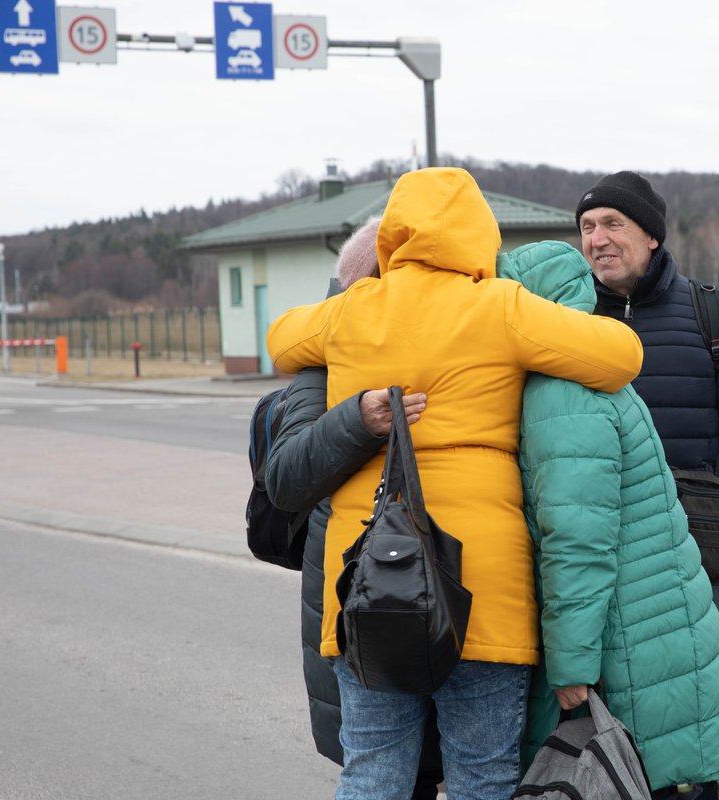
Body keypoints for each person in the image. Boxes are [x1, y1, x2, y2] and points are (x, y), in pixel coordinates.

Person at [266, 167, 643, 800]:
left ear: (394, 235)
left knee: (373, 772)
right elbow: (621, 354)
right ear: (478, 235)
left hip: (371, 579)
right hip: (479, 588)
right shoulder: (500, 306)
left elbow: (281, 340)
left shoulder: (352, 309)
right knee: (483, 775)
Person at [502, 241, 719, 795]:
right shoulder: (592, 373)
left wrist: (570, 665)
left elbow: (579, 543)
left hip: (629, 644)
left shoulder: (560, 394)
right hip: (660, 625)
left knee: (643, 778)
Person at [264, 218, 443, 800]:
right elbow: (286, 477)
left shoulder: (450, 336)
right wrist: (358, 420)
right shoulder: (325, 349)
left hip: (438, 593)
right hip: (368, 603)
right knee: (389, 776)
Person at [575, 170, 719, 624]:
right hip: (591, 552)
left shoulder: (716, 317)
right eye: (587, 226)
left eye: (613, 223)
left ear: (652, 235)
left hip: (692, 549)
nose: (598, 239)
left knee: (692, 690)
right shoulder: (562, 319)